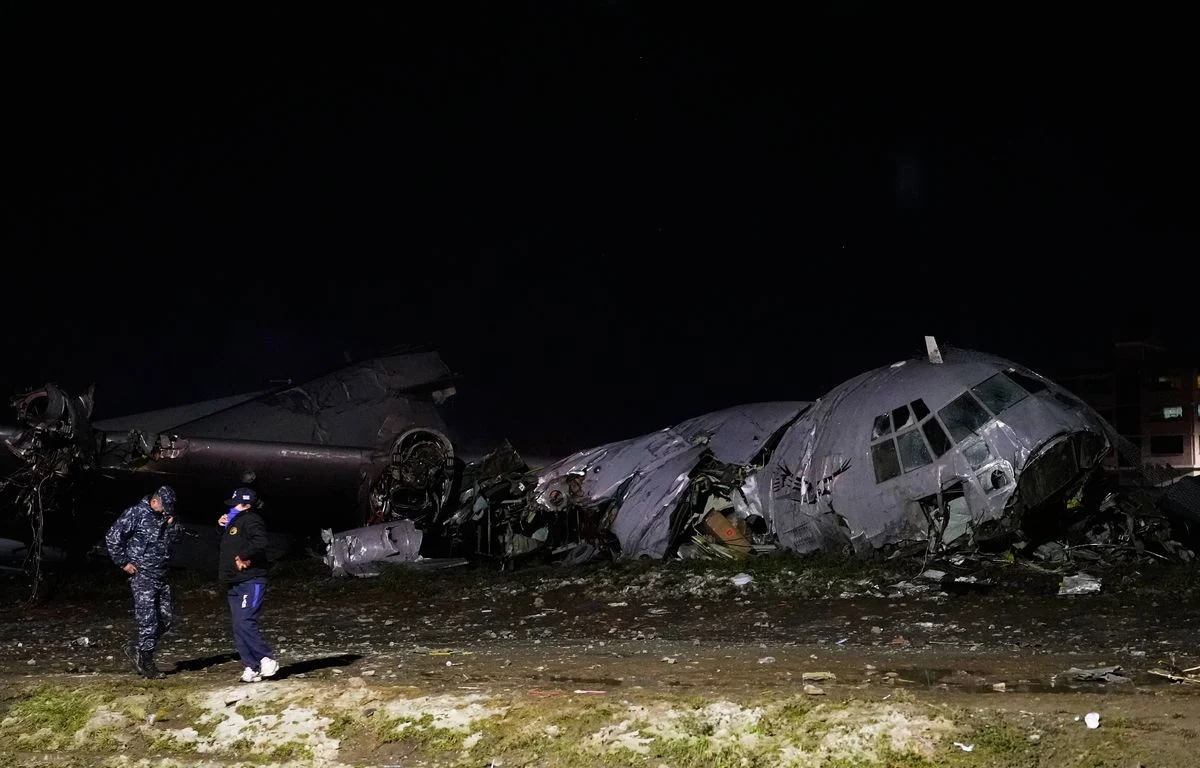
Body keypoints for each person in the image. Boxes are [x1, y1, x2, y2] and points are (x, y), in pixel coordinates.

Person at [105, 485, 181, 679]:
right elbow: (112, 537)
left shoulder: (166, 516)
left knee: (165, 620)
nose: (165, 511)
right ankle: (146, 662)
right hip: (143, 575)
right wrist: (123, 562)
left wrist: (172, 525)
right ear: (155, 501)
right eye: (164, 507)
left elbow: (176, 539)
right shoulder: (135, 513)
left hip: (161, 574)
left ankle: (137, 648)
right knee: (148, 620)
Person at [218, 486, 279, 682]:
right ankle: (251, 666)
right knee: (238, 624)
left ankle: (266, 658)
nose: (232, 507)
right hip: (234, 581)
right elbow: (228, 546)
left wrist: (243, 556)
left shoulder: (252, 519)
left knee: (245, 620)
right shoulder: (233, 520)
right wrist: (222, 526)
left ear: (246, 505)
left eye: (236, 504)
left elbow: (260, 542)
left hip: (251, 579)